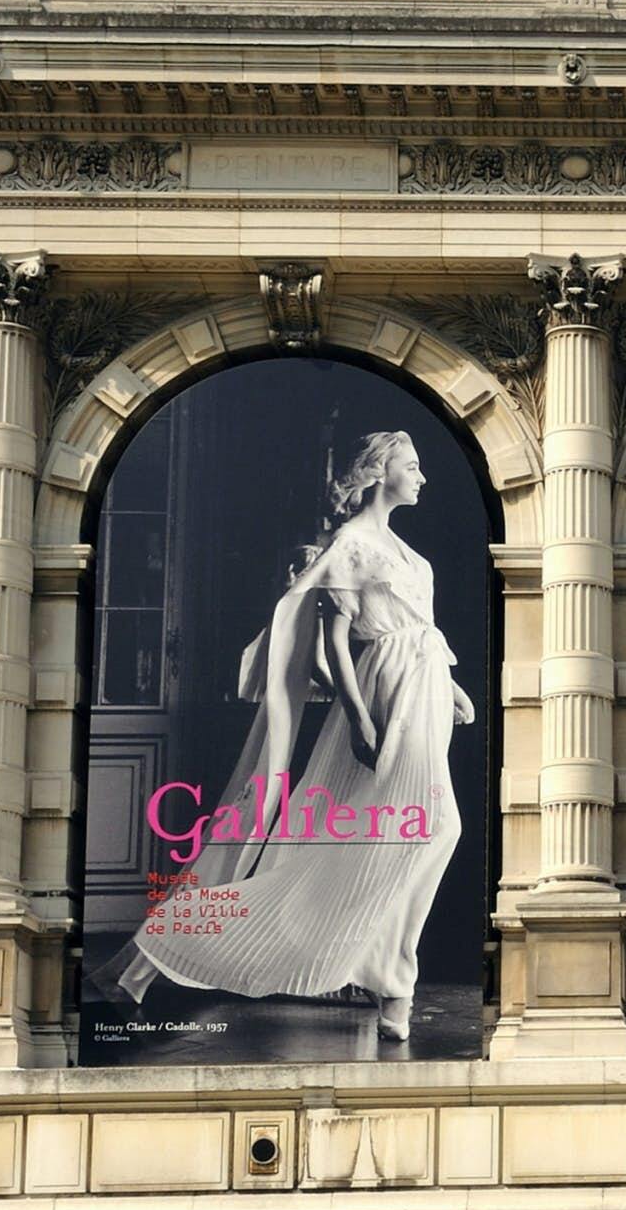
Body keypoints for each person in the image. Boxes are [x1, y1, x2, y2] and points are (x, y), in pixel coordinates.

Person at [118, 428, 471, 1043]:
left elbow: (423, 631)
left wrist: (452, 686)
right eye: (411, 467)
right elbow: (336, 642)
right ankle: (390, 983)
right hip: (385, 694)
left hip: (427, 692)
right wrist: (360, 718)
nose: (421, 477)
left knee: (407, 838)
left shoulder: (411, 554)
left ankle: (387, 978)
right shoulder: (352, 544)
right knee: (425, 830)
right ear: (380, 472)